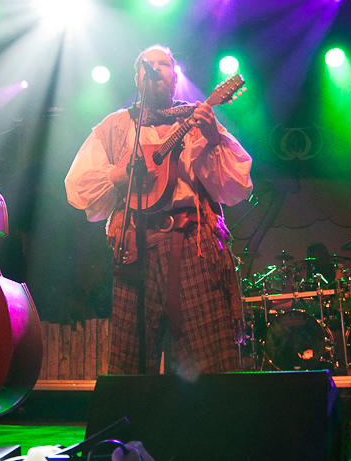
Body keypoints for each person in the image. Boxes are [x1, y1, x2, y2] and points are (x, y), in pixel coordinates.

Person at [65, 45, 253, 377]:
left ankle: (217, 426)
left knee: (211, 360)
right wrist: (120, 175)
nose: (154, 69)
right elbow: (78, 187)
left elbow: (236, 185)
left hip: (195, 246)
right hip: (135, 248)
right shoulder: (116, 127)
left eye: (162, 64)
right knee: (129, 361)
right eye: (146, 65)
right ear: (137, 77)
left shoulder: (197, 119)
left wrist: (211, 138)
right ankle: (131, 429)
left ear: (175, 75)